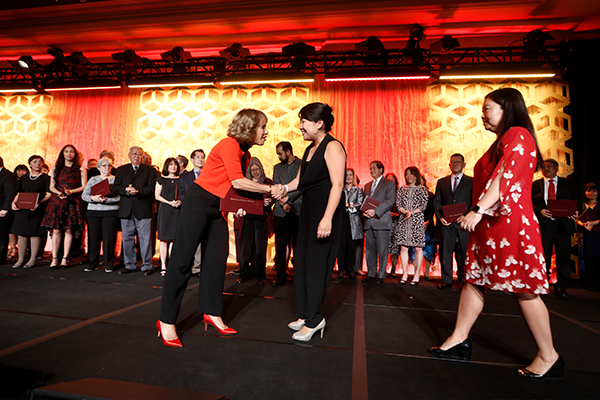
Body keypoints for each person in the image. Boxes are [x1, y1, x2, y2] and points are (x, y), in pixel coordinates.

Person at [428, 88, 563, 381]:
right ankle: (458, 339)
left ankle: (549, 355)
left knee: (525, 289)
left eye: (488, 108)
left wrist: (477, 209)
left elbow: (506, 177)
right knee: (473, 281)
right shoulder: (502, 140)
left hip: (509, 225)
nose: (482, 114)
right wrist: (479, 216)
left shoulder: (518, 134)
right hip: (489, 226)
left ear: (507, 108)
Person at [158, 108, 283, 347]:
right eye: (262, 127)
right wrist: (271, 189)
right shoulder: (229, 144)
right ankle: (166, 320)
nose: (266, 132)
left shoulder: (244, 154)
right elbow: (237, 180)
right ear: (248, 127)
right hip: (198, 202)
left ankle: (211, 312)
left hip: (217, 208)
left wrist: (241, 205)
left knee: (217, 261)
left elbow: (232, 188)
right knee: (182, 261)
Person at [284, 102, 346, 342]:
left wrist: (328, 218)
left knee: (317, 268)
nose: (300, 127)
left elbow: (338, 185)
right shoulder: (310, 150)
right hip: (308, 214)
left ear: (319, 123)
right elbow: (298, 182)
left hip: (324, 213)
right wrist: (281, 188)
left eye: (304, 122)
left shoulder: (333, 147)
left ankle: (315, 319)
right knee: (301, 264)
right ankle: (306, 313)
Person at [532, 158, 579, 297]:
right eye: (544, 167)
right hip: (544, 225)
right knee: (543, 256)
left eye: (550, 166)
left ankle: (562, 286)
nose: (546, 169)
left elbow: (576, 202)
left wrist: (575, 212)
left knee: (563, 257)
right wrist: (539, 211)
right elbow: (528, 203)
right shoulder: (535, 185)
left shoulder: (568, 184)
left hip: (563, 225)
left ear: (557, 168)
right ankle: (542, 284)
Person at [113, 146, 157, 275]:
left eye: (139, 154)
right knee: (127, 238)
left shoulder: (149, 170)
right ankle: (130, 265)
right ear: (129, 155)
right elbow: (116, 188)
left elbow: (151, 188)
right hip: (126, 209)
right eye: (134, 154)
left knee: (145, 239)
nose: (137, 156)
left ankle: (147, 265)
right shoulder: (121, 170)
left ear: (143, 157)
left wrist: (138, 192)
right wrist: (126, 191)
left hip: (143, 208)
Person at [42, 144, 87, 268]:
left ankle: (65, 258)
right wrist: (59, 193)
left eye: (71, 152)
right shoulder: (56, 168)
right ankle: (54, 258)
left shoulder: (81, 169)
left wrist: (71, 192)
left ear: (75, 154)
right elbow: (51, 187)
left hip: (73, 200)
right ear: (63, 153)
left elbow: (84, 186)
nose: (69, 154)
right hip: (57, 201)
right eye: (66, 151)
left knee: (69, 229)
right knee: (56, 230)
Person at [433, 154, 473, 289]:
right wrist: (440, 218)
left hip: (464, 224)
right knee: (445, 252)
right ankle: (446, 279)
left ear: (464, 164)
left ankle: (466, 278)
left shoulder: (471, 181)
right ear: (449, 165)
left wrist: (467, 216)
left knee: (466, 253)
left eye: (458, 162)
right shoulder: (441, 182)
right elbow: (437, 202)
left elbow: (474, 202)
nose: (455, 164)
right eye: (453, 162)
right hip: (447, 224)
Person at [236, 157, 273, 284]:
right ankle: (244, 274)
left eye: (257, 169)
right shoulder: (245, 182)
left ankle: (261, 275)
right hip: (248, 219)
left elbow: (273, 197)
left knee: (260, 248)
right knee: (246, 248)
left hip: (262, 219)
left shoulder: (267, 182)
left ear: (261, 169)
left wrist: (270, 201)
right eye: (252, 170)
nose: (255, 172)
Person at [11, 156, 51, 269]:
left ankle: (33, 259)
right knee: (22, 234)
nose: (38, 164)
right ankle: (20, 259)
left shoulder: (46, 178)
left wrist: (38, 202)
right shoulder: (24, 178)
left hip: (37, 210)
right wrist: (14, 203)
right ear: (30, 164)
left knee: (35, 234)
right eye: (35, 162)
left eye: (40, 162)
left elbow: (48, 194)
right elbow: (18, 192)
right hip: (22, 209)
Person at [271, 141, 302, 286]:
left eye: (280, 153)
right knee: (281, 246)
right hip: (280, 212)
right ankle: (281, 276)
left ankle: (299, 277)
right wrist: (283, 202)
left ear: (288, 152)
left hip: (298, 211)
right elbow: (275, 186)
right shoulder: (277, 168)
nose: (278, 156)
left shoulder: (302, 164)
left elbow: (302, 186)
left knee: (299, 246)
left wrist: (289, 201)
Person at [81, 157, 120, 272]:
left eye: (109, 166)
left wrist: (107, 200)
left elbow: (120, 197)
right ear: (98, 167)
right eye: (104, 166)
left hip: (110, 211)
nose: (107, 168)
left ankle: (109, 264)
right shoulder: (93, 179)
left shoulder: (115, 180)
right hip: (93, 212)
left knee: (109, 238)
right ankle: (92, 263)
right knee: (93, 238)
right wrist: (93, 198)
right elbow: (84, 196)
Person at [392, 167, 429, 285]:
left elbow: (423, 205)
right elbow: (398, 204)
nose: (408, 176)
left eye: (411, 174)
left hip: (417, 220)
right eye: (406, 174)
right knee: (403, 248)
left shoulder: (422, 189)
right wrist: (404, 211)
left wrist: (412, 212)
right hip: (404, 220)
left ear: (416, 176)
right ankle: (405, 273)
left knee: (418, 248)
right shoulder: (402, 189)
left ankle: (417, 274)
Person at [362, 161, 396, 284]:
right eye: (370, 169)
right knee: (370, 250)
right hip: (369, 222)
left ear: (381, 169)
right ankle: (371, 273)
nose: (372, 171)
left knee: (382, 250)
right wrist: (365, 212)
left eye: (374, 168)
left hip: (381, 221)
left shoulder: (389, 183)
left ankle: (381, 275)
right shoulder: (367, 185)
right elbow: (364, 202)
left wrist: (375, 211)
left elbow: (390, 200)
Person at [178, 149, 206, 278]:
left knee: (201, 241)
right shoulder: (184, 177)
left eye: (203, 157)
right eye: (198, 157)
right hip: (189, 212)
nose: (201, 159)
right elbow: (182, 194)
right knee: (188, 240)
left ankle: (197, 268)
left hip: (204, 212)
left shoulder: (209, 175)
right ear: (192, 160)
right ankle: (185, 268)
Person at [155, 157, 182, 276]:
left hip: (178, 210)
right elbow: (157, 196)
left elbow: (184, 194)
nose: (173, 167)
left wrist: (181, 201)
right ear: (166, 166)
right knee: (164, 239)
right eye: (171, 165)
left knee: (175, 239)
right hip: (165, 210)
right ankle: (163, 265)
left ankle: (171, 264)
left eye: (175, 165)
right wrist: (169, 202)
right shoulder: (161, 180)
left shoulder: (181, 180)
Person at [337, 168, 364, 279]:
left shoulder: (358, 189)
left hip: (353, 220)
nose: (348, 177)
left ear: (353, 177)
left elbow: (360, 203)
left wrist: (350, 205)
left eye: (350, 175)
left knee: (351, 246)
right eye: (346, 175)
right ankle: (341, 270)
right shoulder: (339, 189)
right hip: (341, 220)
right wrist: (347, 205)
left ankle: (350, 269)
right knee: (341, 246)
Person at [577, 183, 600, 292]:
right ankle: (594, 283)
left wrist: (594, 222)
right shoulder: (581, 205)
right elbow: (576, 218)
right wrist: (581, 223)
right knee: (589, 259)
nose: (591, 193)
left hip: (598, 234)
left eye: (594, 191)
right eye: (588, 191)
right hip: (586, 235)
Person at [0, 157, 18, 264]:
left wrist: (5, 209)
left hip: (2, 209)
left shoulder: (7, 175)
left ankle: (1, 257)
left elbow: (10, 193)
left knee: (1, 235)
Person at [385, 172, 401, 277]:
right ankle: (382, 268)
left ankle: (394, 269)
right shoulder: (383, 192)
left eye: (392, 178)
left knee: (395, 247)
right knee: (384, 246)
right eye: (388, 178)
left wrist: (398, 214)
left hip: (397, 222)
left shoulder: (399, 192)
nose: (390, 180)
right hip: (385, 222)